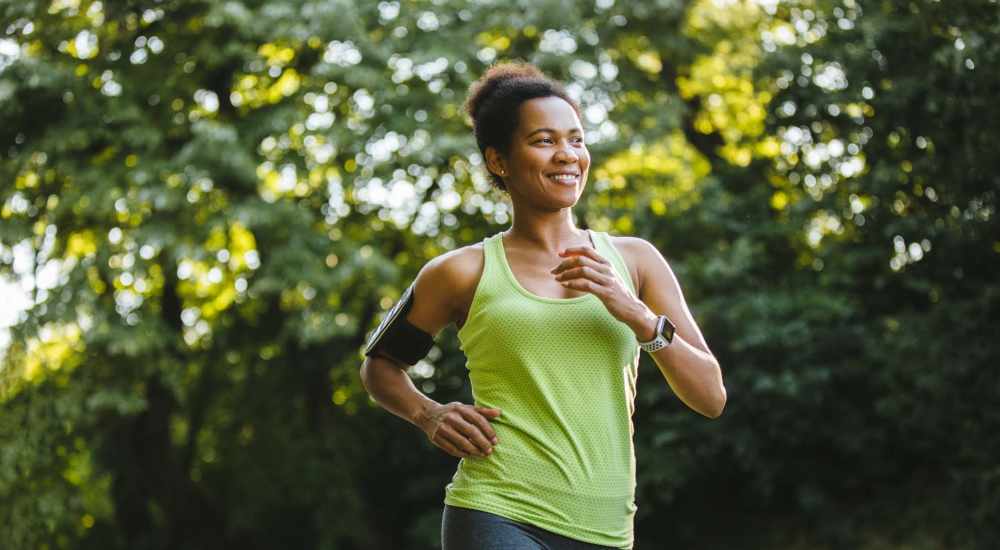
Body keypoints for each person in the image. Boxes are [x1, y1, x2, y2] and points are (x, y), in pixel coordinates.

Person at [360, 61, 726, 550]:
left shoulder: (636, 262)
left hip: (606, 527)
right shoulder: (461, 272)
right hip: (497, 510)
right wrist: (428, 414)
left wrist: (636, 314)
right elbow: (380, 366)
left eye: (576, 139)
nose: (567, 155)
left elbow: (710, 396)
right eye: (544, 140)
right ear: (499, 161)